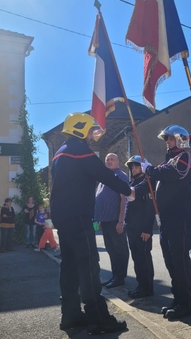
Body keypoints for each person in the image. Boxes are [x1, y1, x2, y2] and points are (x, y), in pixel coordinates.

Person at [50, 113, 132, 335]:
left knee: (69, 267)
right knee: (88, 266)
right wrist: (129, 190)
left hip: (63, 218)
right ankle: (99, 320)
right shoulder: (80, 150)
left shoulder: (61, 152)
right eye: (89, 130)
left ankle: (71, 316)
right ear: (79, 130)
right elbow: (104, 174)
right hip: (78, 217)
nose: (92, 135)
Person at [131, 125, 191, 320]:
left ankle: (186, 303)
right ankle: (178, 297)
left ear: (180, 139)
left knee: (180, 260)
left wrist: (149, 169)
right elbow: (157, 173)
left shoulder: (184, 157)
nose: (167, 142)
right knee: (170, 260)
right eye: (166, 139)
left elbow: (168, 173)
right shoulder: (169, 159)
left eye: (170, 139)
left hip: (179, 217)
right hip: (167, 219)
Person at [94, 153, 130, 289]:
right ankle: (115, 276)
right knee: (111, 249)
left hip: (116, 220)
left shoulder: (120, 176)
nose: (109, 161)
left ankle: (120, 277)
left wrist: (121, 221)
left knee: (119, 249)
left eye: (112, 159)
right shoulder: (105, 178)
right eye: (107, 159)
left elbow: (123, 199)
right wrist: (101, 219)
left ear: (118, 162)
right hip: (106, 220)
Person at [125, 155, 155, 299]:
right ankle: (140, 285)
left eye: (136, 166)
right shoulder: (134, 183)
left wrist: (147, 229)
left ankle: (147, 287)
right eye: (132, 167)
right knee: (137, 258)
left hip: (142, 228)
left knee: (144, 258)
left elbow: (150, 208)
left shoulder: (147, 183)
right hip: (132, 227)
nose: (134, 169)